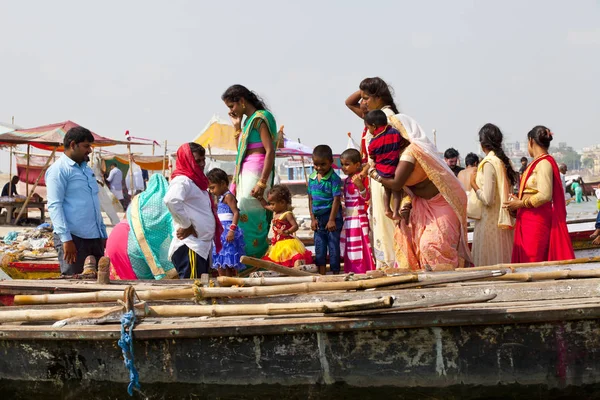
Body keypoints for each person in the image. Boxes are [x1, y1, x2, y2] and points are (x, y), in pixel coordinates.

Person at [372, 114, 472, 270]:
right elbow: (405, 190)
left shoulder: (412, 151)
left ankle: (445, 284)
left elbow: (397, 183)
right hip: (421, 204)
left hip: (442, 203)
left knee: (431, 245)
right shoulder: (393, 156)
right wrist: (406, 205)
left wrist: (374, 174)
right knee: (407, 236)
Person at [345, 77, 399, 269]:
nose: (362, 103)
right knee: (379, 222)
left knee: (387, 220)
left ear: (379, 97)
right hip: (375, 177)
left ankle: (392, 264)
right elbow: (348, 102)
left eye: (366, 98)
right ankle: (385, 263)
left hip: (384, 175)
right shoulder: (375, 116)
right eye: (362, 98)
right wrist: (364, 90)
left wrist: (368, 169)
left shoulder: (388, 117)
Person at [504, 126, 574, 263]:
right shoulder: (535, 164)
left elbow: (545, 195)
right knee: (527, 261)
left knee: (534, 259)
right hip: (527, 219)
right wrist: (516, 203)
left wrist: (521, 203)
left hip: (537, 221)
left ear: (531, 141)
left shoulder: (544, 163)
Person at [222, 84, 277, 258]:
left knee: (250, 208)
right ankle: (242, 257)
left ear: (242, 101)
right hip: (245, 169)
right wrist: (237, 127)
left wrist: (262, 182)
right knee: (241, 208)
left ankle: (255, 256)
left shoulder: (260, 118)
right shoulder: (247, 121)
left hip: (257, 169)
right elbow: (240, 151)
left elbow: (270, 150)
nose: (231, 110)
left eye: (232, 106)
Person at [46, 126, 107, 275]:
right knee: (74, 285)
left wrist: (103, 235)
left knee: (99, 285)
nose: (90, 151)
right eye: (86, 146)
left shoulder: (87, 169)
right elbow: (55, 206)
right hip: (73, 239)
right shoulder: (58, 170)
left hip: (94, 238)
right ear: (73, 145)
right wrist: (66, 240)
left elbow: (93, 204)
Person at [164, 143, 223, 279]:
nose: (202, 164)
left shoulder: (196, 182)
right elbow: (171, 200)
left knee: (200, 291)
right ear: (187, 161)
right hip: (190, 246)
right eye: (197, 161)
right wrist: (187, 225)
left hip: (200, 247)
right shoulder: (183, 180)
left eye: (203, 160)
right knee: (192, 292)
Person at [106, 174, 178, 280]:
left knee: (118, 277)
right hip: (129, 245)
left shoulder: (139, 200)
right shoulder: (166, 204)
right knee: (139, 278)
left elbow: (127, 217)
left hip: (115, 236)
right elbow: (172, 231)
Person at [468, 124, 518, 266]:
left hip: (489, 224)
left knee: (489, 266)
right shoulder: (504, 161)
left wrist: (474, 184)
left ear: (483, 143)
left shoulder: (489, 163)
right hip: (503, 223)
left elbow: (488, 199)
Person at [364, 110, 408, 220]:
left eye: (369, 128)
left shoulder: (373, 142)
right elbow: (403, 143)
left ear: (374, 126)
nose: (369, 131)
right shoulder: (395, 133)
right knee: (397, 191)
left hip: (381, 170)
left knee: (387, 190)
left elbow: (372, 155)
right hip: (394, 168)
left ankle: (387, 209)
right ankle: (396, 212)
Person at [308, 145, 343, 275]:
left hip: (331, 216)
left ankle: (335, 274)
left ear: (331, 162)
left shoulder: (334, 179)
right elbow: (310, 199)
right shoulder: (312, 178)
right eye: (316, 165)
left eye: (323, 164)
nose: (319, 168)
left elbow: (336, 200)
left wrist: (332, 219)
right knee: (319, 247)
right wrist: (312, 219)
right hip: (318, 219)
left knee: (333, 247)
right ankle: (322, 275)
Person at [339, 149, 375, 273]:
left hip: (359, 219)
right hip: (349, 220)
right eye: (342, 164)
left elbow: (366, 197)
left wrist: (360, 185)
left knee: (361, 246)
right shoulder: (346, 181)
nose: (344, 167)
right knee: (351, 247)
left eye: (347, 164)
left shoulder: (360, 178)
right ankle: (352, 270)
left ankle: (364, 270)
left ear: (357, 165)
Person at [260, 185, 313, 268]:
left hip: (287, 242)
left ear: (282, 203)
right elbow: (265, 206)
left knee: (290, 258)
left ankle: (296, 269)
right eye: (271, 204)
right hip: (277, 244)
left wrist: (286, 232)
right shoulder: (275, 211)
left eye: (273, 204)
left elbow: (295, 226)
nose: (271, 206)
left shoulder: (287, 214)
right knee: (277, 260)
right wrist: (259, 198)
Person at [207, 168, 245, 277]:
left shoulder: (228, 196)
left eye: (213, 188)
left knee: (228, 261)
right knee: (220, 259)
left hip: (227, 232)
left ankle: (229, 285)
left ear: (223, 184)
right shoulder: (220, 198)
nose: (212, 191)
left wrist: (232, 230)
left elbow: (236, 213)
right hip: (220, 233)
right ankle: (224, 284)